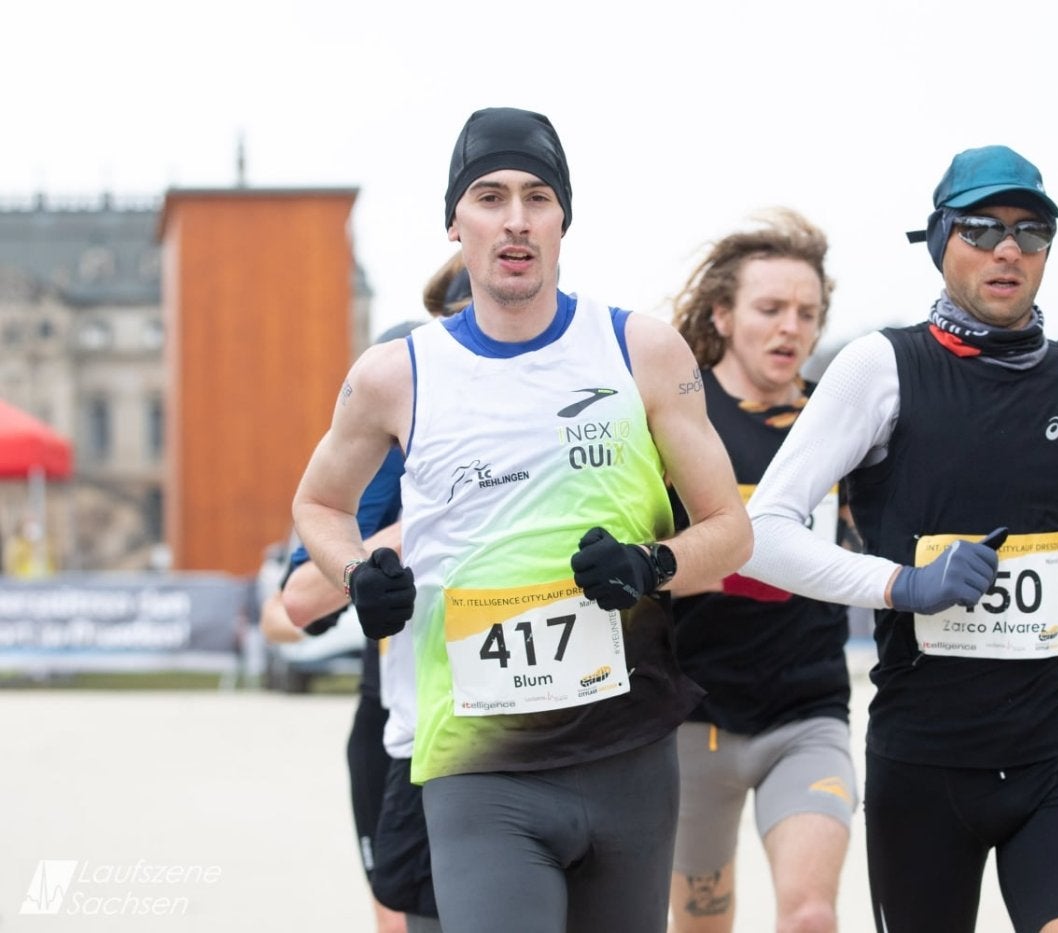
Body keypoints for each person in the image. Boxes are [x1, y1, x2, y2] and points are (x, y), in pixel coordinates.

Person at [291, 106, 752, 933]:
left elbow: (731, 529)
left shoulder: (640, 351)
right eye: (489, 195)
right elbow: (318, 504)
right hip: (480, 762)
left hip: (629, 751)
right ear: (453, 222)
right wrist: (357, 571)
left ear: (563, 219)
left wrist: (653, 564)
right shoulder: (397, 374)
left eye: (538, 196)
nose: (515, 218)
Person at [742, 145, 1058, 933]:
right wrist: (903, 584)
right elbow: (763, 533)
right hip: (929, 753)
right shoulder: (880, 368)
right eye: (982, 227)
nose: (1009, 248)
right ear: (941, 241)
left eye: (1031, 232)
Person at [264, 255, 471, 933]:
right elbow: (292, 604)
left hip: (535, 721)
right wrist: (430, 525)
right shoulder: (396, 422)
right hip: (398, 726)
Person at [665, 209, 855, 933]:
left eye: (807, 313)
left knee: (810, 915)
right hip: (694, 720)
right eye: (770, 308)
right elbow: (638, 563)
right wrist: (731, 566)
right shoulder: (678, 415)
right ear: (723, 313)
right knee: (702, 924)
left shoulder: (839, 421)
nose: (791, 328)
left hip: (805, 714)